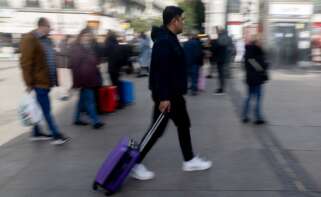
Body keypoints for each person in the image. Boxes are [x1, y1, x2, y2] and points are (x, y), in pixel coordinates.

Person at [130, 6, 212, 181]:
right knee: (156, 130)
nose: (183, 22)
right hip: (167, 96)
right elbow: (160, 71)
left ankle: (189, 160)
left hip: (175, 95)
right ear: (174, 21)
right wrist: (163, 97)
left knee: (183, 124)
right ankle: (134, 163)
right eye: (181, 19)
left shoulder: (171, 39)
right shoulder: (163, 41)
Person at [20, 17, 70, 145]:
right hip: (38, 82)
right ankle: (56, 135)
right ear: (41, 26)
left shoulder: (47, 40)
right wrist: (28, 83)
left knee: (38, 108)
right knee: (46, 109)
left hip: (47, 81)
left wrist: (56, 80)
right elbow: (26, 63)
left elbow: (51, 60)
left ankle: (36, 133)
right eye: (49, 26)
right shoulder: (29, 39)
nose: (51, 29)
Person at [69, 28, 104, 129]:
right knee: (90, 100)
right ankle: (95, 121)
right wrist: (77, 82)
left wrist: (96, 65)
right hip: (84, 79)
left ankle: (76, 119)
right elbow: (74, 66)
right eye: (86, 36)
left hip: (89, 77)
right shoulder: (77, 48)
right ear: (81, 36)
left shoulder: (88, 47)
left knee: (82, 100)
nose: (87, 38)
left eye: (89, 36)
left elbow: (92, 61)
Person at [242, 35, 269, 125]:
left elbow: (246, 64)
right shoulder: (257, 51)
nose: (261, 43)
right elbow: (258, 65)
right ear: (256, 42)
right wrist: (264, 66)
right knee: (257, 98)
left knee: (249, 97)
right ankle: (258, 118)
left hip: (250, 78)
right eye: (260, 41)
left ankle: (245, 116)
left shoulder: (247, 51)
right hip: (257, 78)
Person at [210, 27, 233, 95]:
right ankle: (221, 88)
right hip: (224, 58)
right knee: (222, 74)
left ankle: (221, 89)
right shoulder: (228, 38)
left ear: (221, 32)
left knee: (221, 74)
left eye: (218, 31)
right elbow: (230, 48)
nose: (217, 32)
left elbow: (217, 47)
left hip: (221, 59)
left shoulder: (221, 38)